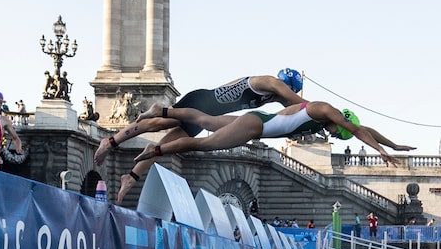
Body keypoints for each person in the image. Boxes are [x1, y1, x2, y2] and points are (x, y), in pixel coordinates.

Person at [95, 69, 307, 203]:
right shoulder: (270, 82)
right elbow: (298, 103)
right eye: (289, 90)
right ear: (288, 85)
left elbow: (291, 110)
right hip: (201, 102)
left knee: (166, 145)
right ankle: (110, 141)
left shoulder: (271, 96)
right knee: (159, 123)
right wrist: (323, 114)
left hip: (206, 114)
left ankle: (130, 177)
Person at [131, 100, 414, 168]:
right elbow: (358, 130)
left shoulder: (327, 117)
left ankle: (161, 110)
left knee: (206, 119)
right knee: (203, 144)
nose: (334, 137)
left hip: (259, 120)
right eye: (338, 134)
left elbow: (365, 128)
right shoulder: (323, 110)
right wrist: (381, 152)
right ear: (339, 123)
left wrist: (395, 144)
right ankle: (153, 152)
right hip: (256, 127)